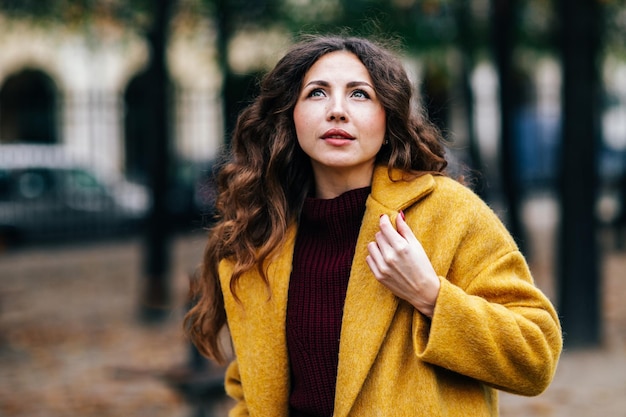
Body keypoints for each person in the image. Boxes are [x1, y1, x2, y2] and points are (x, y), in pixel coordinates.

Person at [185, 34, 562, 417]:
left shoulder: (448, 213)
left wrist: (431, 296)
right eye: (316, 93)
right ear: (290, 115)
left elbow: (536, 357)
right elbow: (249, 388)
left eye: (359, 94)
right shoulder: (261, 236)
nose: (337, 111)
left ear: (388, 116)